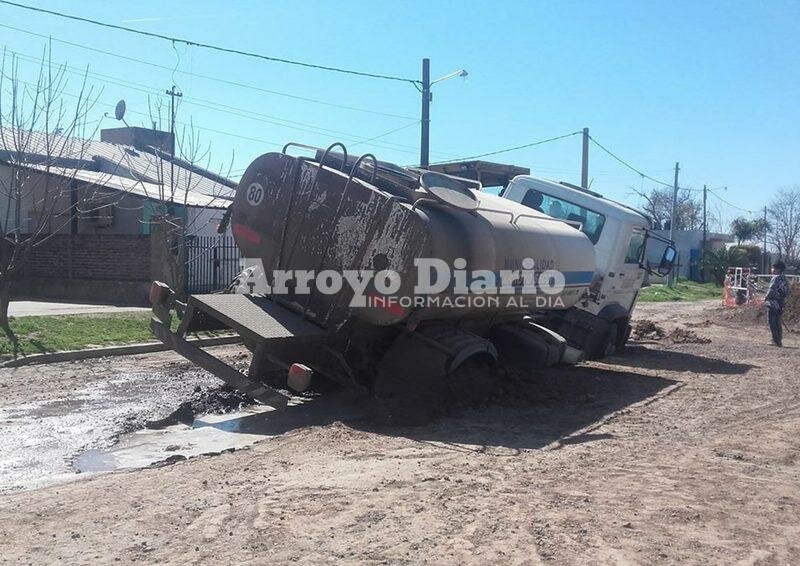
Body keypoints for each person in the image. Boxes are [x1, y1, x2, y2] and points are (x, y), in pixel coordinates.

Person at [764, 260, 789, 347]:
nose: (772, 269)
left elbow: (772, 290)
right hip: (781, 303)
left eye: (773, 268)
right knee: (778, 321)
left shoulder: (776, 278)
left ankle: (775, 340)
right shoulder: (785, 279)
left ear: (778, 269)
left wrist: (766, 298)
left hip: (773, 302)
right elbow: (786, 291)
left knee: (772, 321)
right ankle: (779, 340)